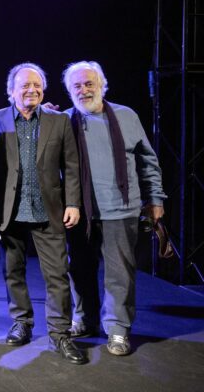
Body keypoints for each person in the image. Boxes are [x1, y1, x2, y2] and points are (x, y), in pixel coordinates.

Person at [0, 62, 87, 365]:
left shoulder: (58, 121)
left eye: (37, 85)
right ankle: (22, 323)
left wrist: (73, 203)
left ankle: (60, 334)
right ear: (11, 90)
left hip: (48, 210)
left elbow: (72, 166)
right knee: (12, 272)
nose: (31, 90)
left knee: (57, 275)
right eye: (25, 85)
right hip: (7, 211)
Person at [62, 61, 166, 356]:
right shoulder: (63, 120)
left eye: (89, 84)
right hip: (80, 213)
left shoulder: (125, 116)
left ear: (102, 85)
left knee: (119, 274)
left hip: (121, 210)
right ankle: (85, 319)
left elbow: (148, 160)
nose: (84, 90)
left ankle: (118, 330)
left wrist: (155, 199)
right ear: (70, 91)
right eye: (77, 86)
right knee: (79, 270)